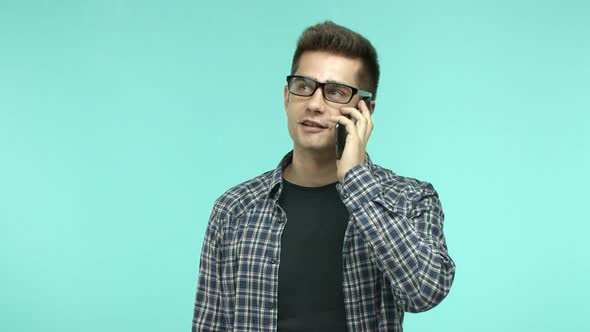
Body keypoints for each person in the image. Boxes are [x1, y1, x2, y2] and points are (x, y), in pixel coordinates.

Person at [192, 21, 455, 331]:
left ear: (365, 111)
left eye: (335, 92)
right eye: (304, 86)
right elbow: (210, 324)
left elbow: (425, 292)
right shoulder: (234, 209)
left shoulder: (409, 198)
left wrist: (357, 181)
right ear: (287, 98)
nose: (314, 104)